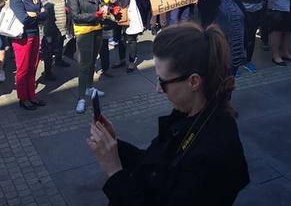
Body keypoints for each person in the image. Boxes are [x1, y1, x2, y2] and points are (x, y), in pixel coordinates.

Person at [87, 22, 249, 205]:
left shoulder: (213, 151)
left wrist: (114, 171)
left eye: (163, 81)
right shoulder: (190, 115)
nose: (158, 89)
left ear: (193, 82)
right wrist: (114, 146)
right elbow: (157, 165)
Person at [69, 0, 107, 114]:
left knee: (92, 61)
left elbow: (101, 2)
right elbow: (75, 16)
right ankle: (80, 98)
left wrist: (104, 8)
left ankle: (90, 88)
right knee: (84, 65)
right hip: (84, 31)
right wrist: (96, 15)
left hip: (97, 29)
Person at [9, 0, 46, 110]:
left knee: (33, 67)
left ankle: (32, 95)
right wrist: (38, 14)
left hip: (35, 34)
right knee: (23, 69)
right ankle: (23, 98)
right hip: (23, 37)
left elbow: (44, 13)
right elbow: (24, 19)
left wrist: (35, 15)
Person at [199, 0, 247, 77]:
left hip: (236, 44)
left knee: (231, 78)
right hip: (220, 45)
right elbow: (208, 13)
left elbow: (243, 14)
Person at [107, 0, 145, 73]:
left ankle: (132, 61)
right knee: (120, 38)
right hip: (117, 12)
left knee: (131, 38)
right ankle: (122, 59)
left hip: (129, 11)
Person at [31, 0, 65, 80]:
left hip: (58, 16)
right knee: (47, 44)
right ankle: (47, 70)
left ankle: (59, 60)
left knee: (60, 38)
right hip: (44, 21)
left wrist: (61, 2)